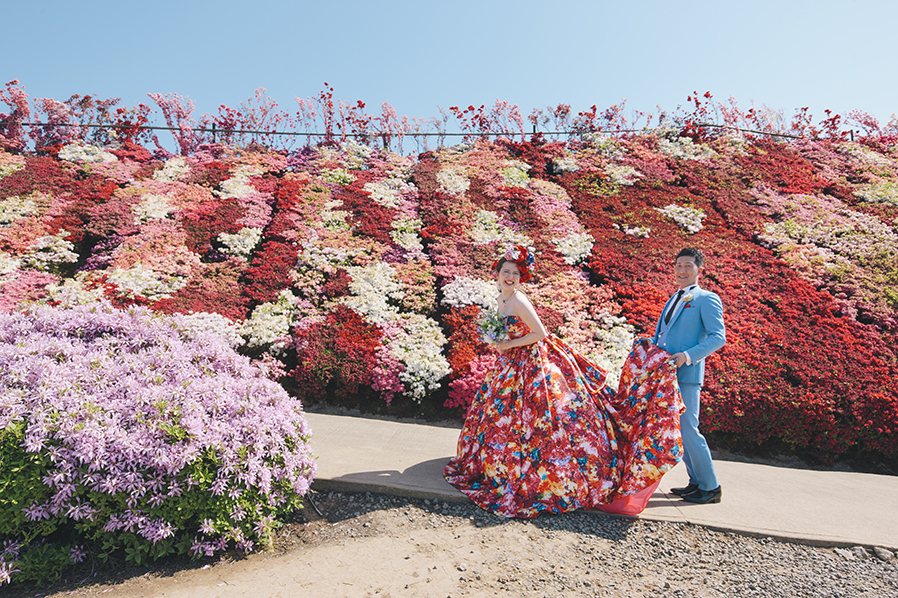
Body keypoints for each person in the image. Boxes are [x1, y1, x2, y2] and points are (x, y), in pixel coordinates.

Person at [443, 245, 685, 518]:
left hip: (533, 360)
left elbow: (540, 333)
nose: (509, 277)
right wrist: (499, 342)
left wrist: (508, 344)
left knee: (546, 415)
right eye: (505, 272)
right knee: (506, 413)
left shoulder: (520, 300)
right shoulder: (502, 298)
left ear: (521, 278)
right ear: (496, 275)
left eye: (515, 273)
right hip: (512, 363)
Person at [653, 247, 726, 504]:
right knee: (680, 432)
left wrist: (687, 355)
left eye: (688, 266)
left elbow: (719, 337)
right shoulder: (674, 298)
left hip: (687, 374)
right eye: (678, 265)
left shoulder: (706, 298)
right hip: (666, 375)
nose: (682, 270)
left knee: (689, 429)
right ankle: (696, 482)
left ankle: (711, 487)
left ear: (699, 270)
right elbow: (662, 336)